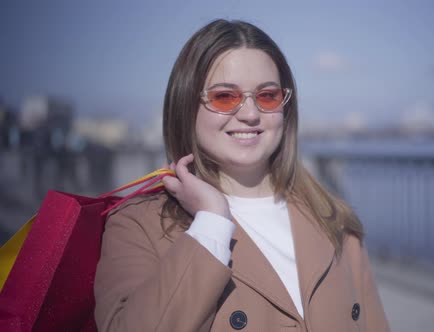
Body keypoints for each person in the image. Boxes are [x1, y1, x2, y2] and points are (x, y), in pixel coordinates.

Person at [94, 19, 390, 331]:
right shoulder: (137, 225)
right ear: (185, 106)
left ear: (285, 107)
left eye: (267, 96)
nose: (250, 114)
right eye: (225, 97)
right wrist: (211, 223)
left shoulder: (335, 221)